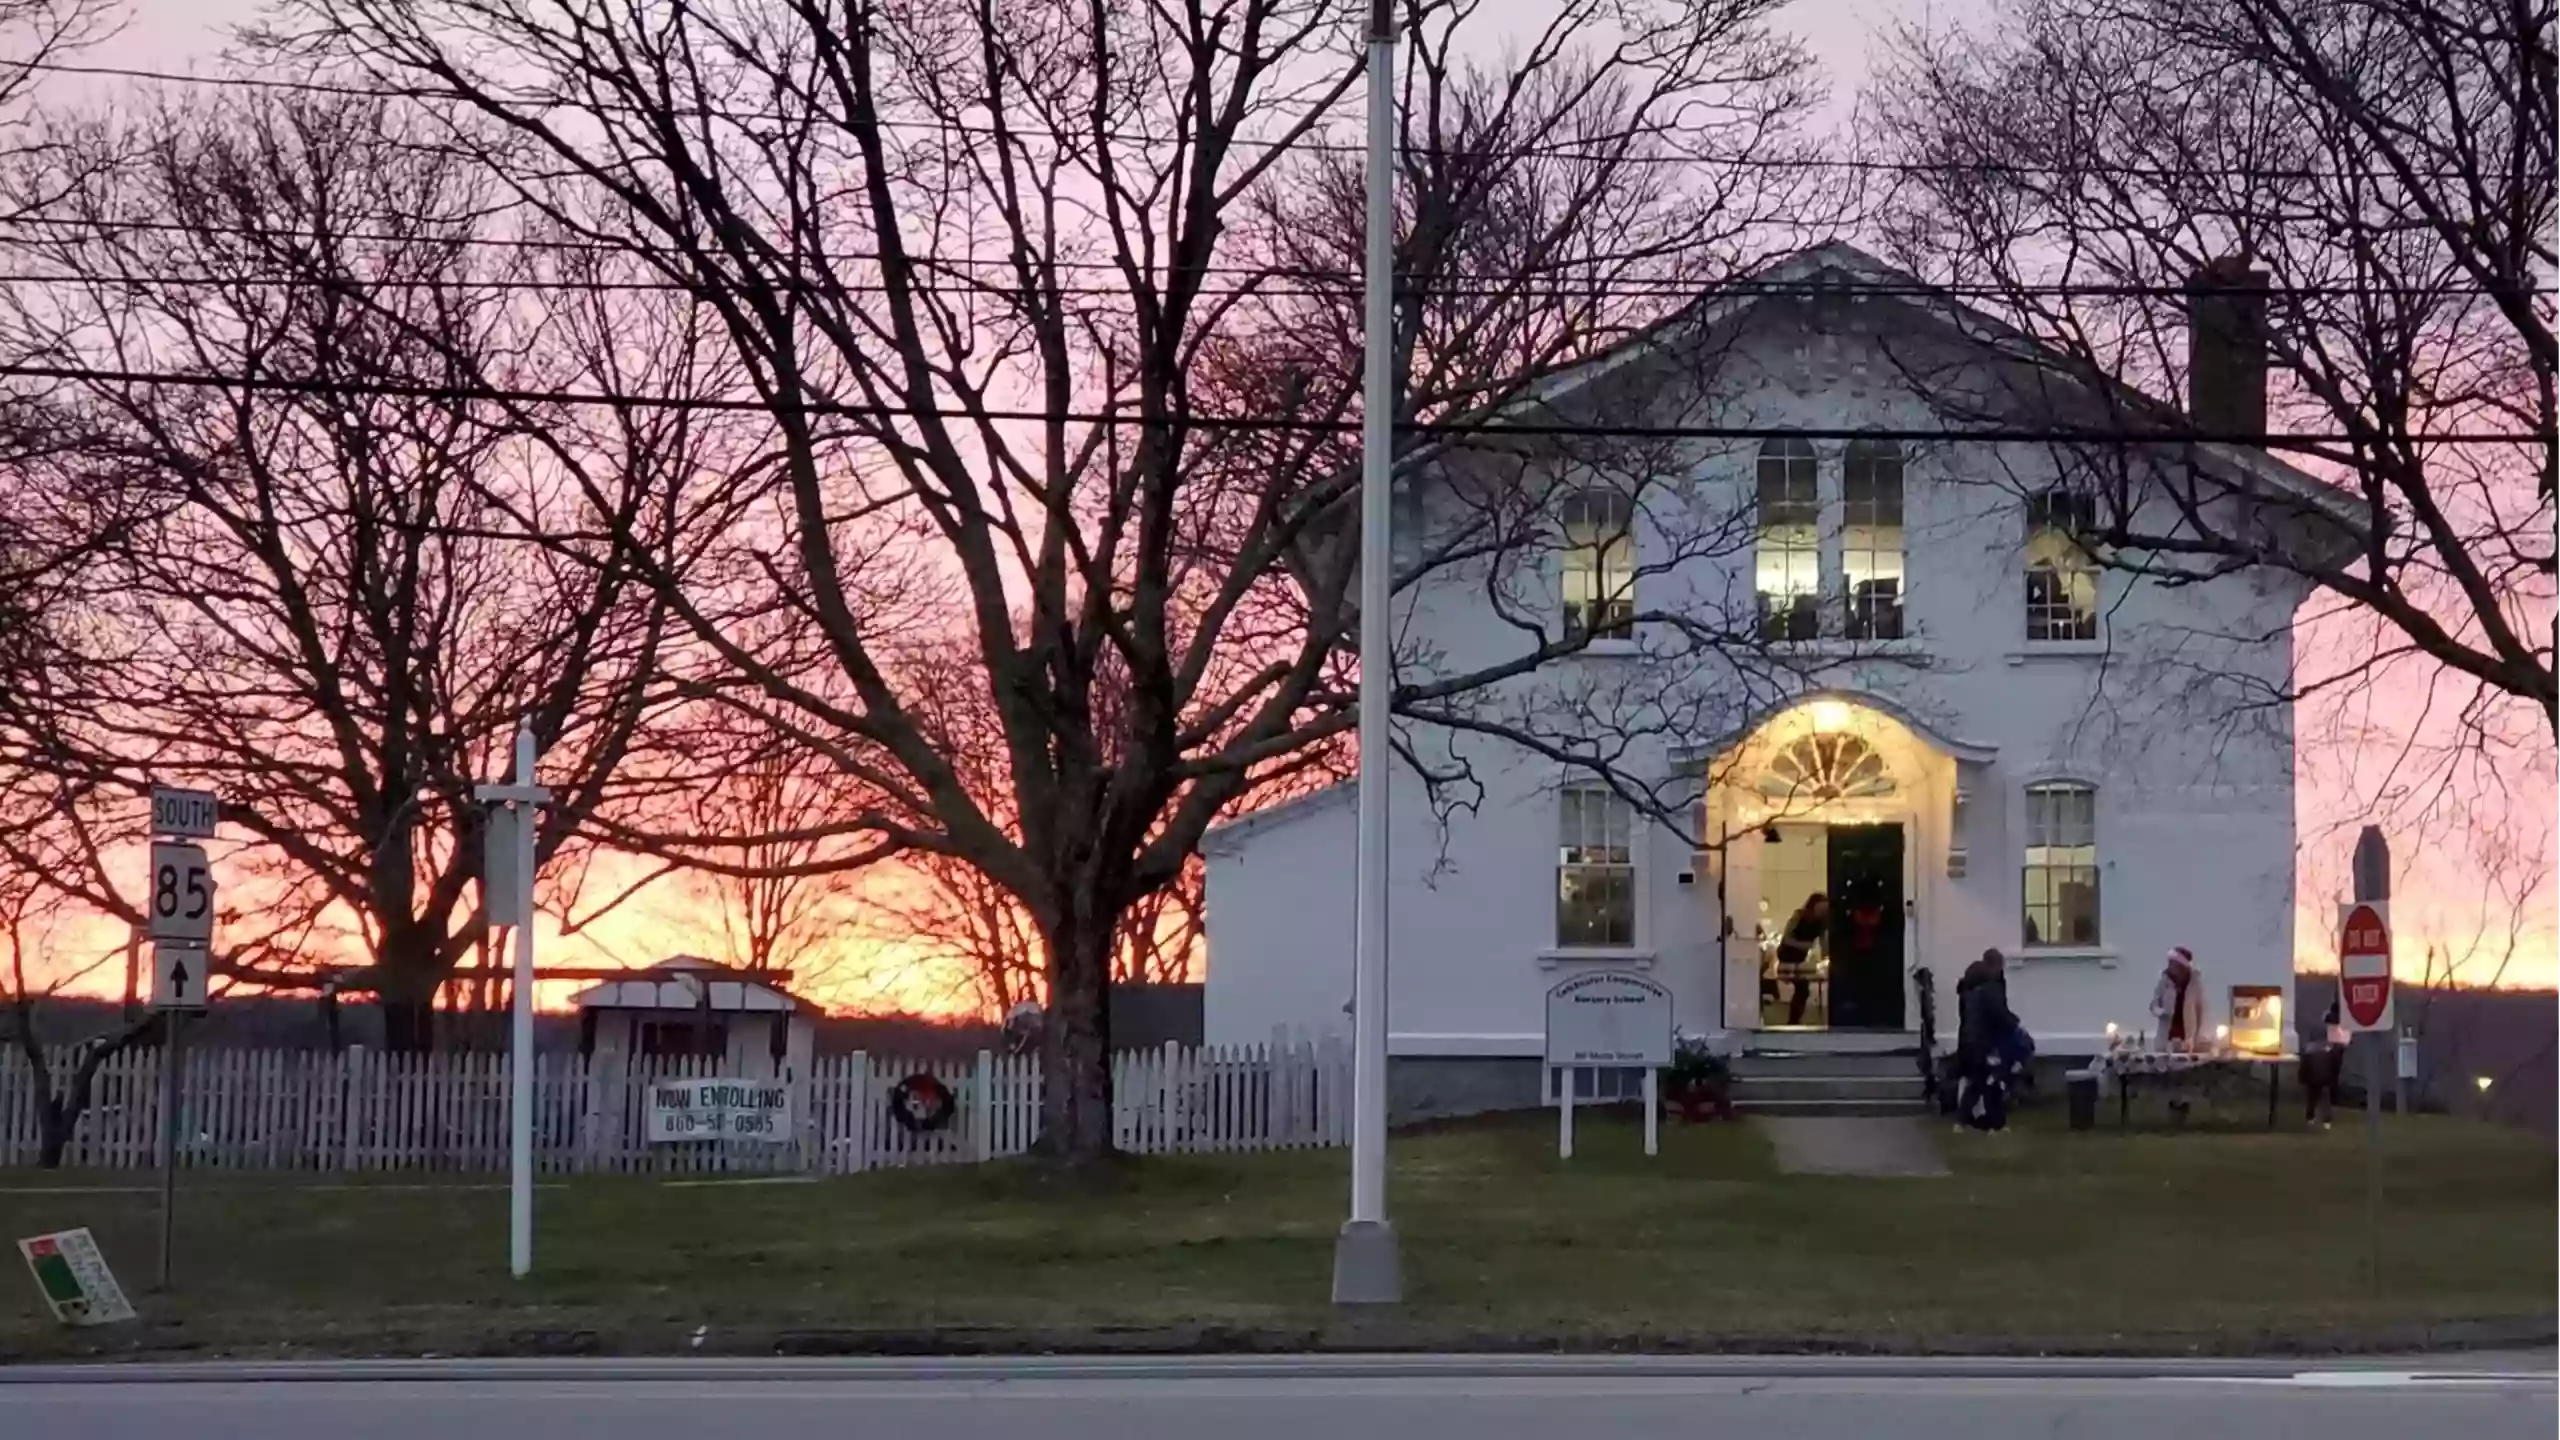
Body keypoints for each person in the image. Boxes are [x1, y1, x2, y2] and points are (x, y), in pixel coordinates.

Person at [1955, 947, 2020, 1131]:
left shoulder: (1969, 987)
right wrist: (2015, 1024)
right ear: (1996, 965)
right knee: (1992, 1080)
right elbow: (1998, 1013)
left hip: (1968, 1038)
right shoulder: (1990, 986)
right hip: (1985, 1040)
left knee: (1977, 1081)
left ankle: (1965, 1120)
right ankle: (1995, 1123)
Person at [1773, 892, 1830, 1026]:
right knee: (1802, 989)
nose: (1822, 911)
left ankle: (1794, 1020)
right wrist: (1805, 945)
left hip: (1800, 957)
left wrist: (1826, 954)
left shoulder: (1821, 922)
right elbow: (1786, 938)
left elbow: (1823, 942)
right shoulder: (1799, 916)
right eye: (1820, 908)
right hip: (1787, 954)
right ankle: (1793, 1020)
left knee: (1803, 989)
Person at [2150, 946, 2206, 1050]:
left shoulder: (2194, 983)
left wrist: (2198, 1035)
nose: (2170, 966)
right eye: (2169, 962)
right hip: (2167, 1033)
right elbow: (2154, 1005)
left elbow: (2200, 1010)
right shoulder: (2164, 980)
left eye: (2173, 963)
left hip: (2187, 1033)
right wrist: (2161, 1012)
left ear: (2181, 966)